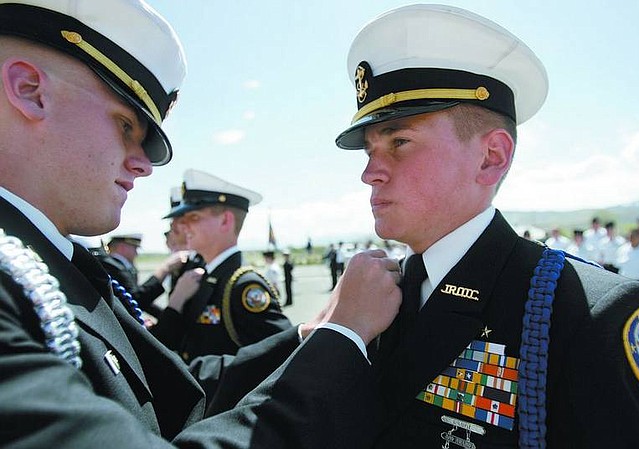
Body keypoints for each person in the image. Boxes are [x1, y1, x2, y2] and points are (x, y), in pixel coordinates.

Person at [0, 1, 403, 447]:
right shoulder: (22, 274)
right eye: (126, 125)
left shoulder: (55, 261)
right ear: (30, 89)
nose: (143, 165)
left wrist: (311, 335)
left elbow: (167, 393)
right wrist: (341, 340)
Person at [334, 4, 639, 448]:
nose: (370, 173)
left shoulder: (590, 312)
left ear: (491, 156)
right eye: (368, 152)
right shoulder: (376, 295)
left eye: (399, 141)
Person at [154, 169, 293, 361]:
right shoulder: (205, 277)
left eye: (193, 218)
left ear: (225, 221)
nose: (183, 226)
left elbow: (283, 354)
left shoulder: (243, 286)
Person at [97, 233, 187, 318]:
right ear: (122, 247)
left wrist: (162, 315)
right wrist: (164, 270)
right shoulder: (112, 266)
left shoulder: (122, 266)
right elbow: (135, 300)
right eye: (135, 248)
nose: (137, 253)